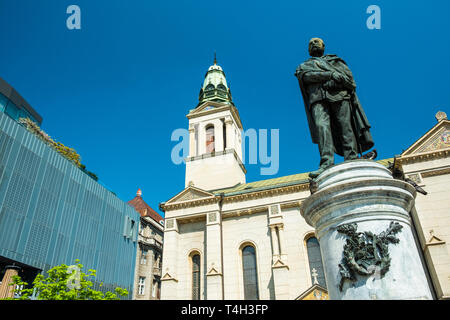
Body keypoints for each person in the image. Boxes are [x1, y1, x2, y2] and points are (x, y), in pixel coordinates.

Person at [295, 38, 374, 178]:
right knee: (321, 127)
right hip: (318, 99)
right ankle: (326, 163)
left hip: (340, 96)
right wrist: (330, 75)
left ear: (323, 46)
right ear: (308, 50)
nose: (313, 43)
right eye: (311, 43)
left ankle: (351, 157)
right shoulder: (305, 65)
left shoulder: (336, 61)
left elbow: (350, 81)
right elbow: (307, 77)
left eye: (317, 42)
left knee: (346, 126)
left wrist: (333, 83)